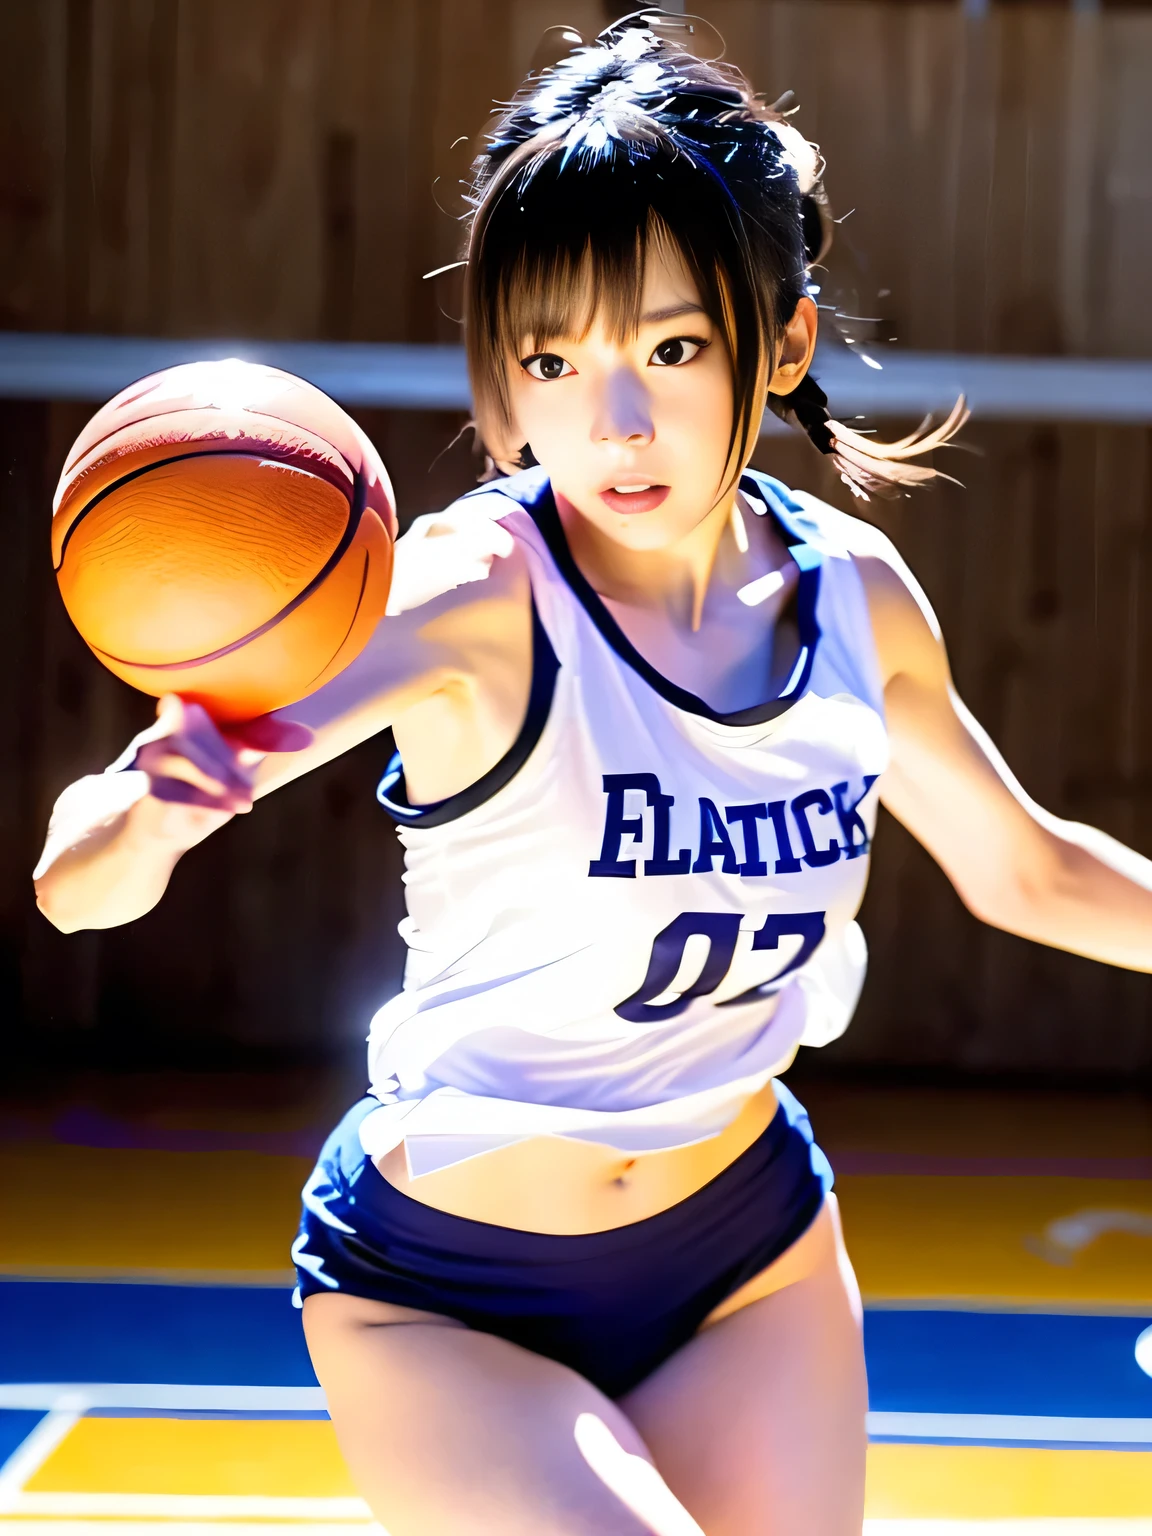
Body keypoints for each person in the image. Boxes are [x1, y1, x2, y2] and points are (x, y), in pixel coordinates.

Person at [33, 16, 1152, 1536]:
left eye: (671, 348)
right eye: (551, 358)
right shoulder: (472, 596)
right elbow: (76, 886)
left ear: (788, 342)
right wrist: (149, 810)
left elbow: (1028, 870)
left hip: (748, 1254)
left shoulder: (856, 598)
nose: (607, 420)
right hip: (446, 1291)